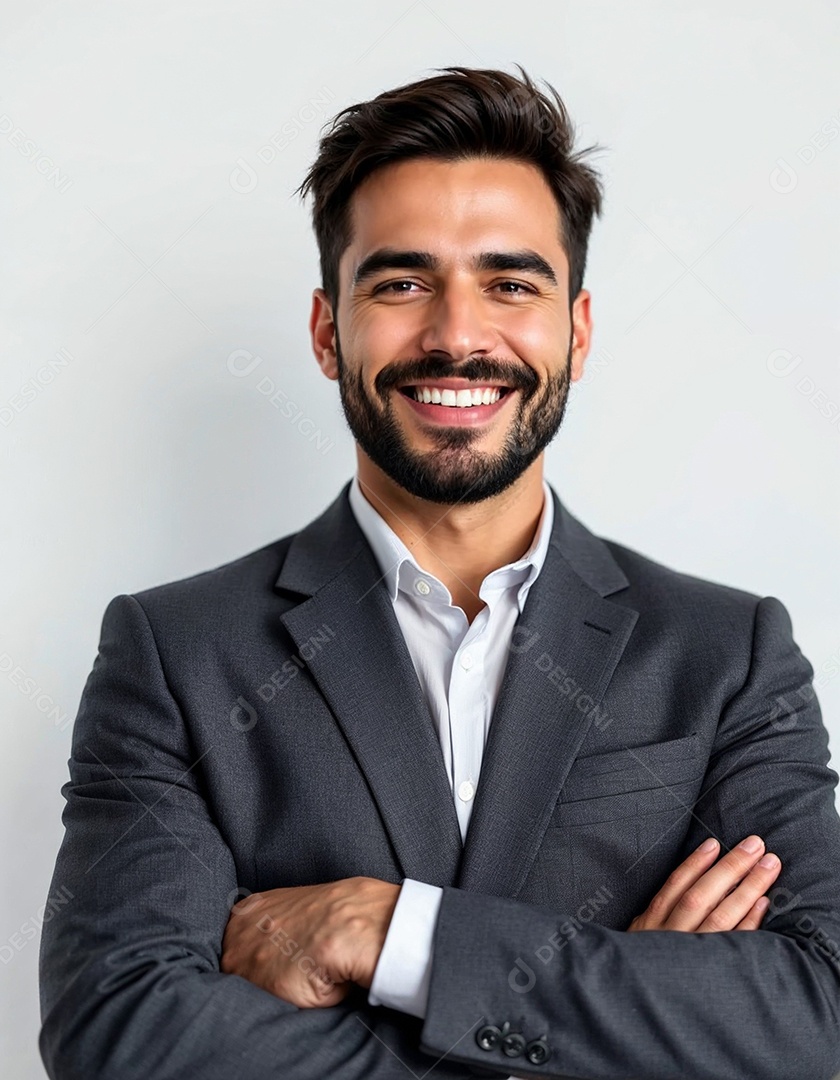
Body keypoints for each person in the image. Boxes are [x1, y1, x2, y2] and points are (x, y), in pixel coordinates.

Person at [39, 65, 840, 1080]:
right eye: (402, 282)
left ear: (577, 333)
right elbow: (120, 1037)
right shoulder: (174, 654)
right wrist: (626, 1019)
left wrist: (394, 936)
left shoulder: (729, 657)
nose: (459, 337)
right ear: (330, 330)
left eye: (510, 282)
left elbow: (818, 1015)